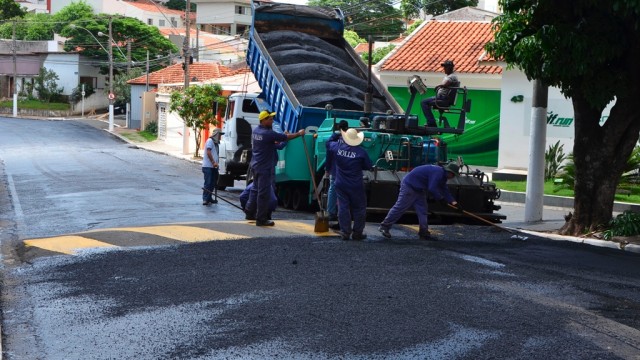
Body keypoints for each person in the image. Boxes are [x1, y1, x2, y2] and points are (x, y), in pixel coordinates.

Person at [244, 110, 304, 226]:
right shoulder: (268, 134)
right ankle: (261, 219)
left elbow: (277, 143)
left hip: (255, 166)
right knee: (263, 193)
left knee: (255, 190)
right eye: (270, 119)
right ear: (263, 120)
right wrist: (299, 133)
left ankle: (249, 212)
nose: (272, 121)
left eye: (272, 119)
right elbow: (284, 138)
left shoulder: (256, 131)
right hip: (264, 168)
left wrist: (283, 138)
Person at [378, 163, 460, 240]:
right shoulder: (438, 173)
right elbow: (432, 188)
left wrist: (454, 202)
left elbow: (444, 189)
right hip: (409, 187)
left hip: (419, 189)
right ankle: (384, 226)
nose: (453, 177)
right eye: (453, 175)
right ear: (449, 172)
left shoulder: (443, 176)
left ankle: (424, 233)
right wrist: (440, 199)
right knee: (400, 208)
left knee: (423, 211)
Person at [327, 128, 373, 240]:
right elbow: (368, 166)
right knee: (359, 208)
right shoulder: (361, 152)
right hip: (355, 185)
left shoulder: (337, 148)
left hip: (340, 183)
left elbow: (328, 143)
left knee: (343, 207)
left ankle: (345, 232)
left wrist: (335, 134)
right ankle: (357, 233)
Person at [420, 60, 460, 128]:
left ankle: (431, 122)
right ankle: (430, 121)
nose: (444, 69)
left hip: (443, 98)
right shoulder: (449, 76)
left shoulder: (452, 76)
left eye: (445, 67)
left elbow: (445, 84)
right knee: (426, 102)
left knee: (423, 102)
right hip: (441, 97)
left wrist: (439, 86)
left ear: (450, 68)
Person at [325, 120, 349, 222]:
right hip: (347, 172)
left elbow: (328, 153)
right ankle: (342, 213)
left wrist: (327, 168)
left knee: (332, 190)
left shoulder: (333, 142)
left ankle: (331, 213)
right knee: (345, 193)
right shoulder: (351, 140)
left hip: (335, 170)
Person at [202, 128, 222, 205]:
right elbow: (208, 152)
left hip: (213, 167)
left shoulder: (216, 143)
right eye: (220, 135)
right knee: (208, 183)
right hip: (208, 166)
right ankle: (205, 198)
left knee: (213, 183)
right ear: (216, 134)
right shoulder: (210, 141)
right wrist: (213, 162)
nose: (220, 137)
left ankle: (209, 197)